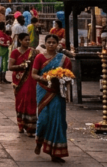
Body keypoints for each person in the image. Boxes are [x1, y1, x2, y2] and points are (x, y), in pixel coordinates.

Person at [32, 34, 72, 162]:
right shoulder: (39, 57)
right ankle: (39, 142)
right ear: (45, 44)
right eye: (48, 42)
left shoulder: (64, 59)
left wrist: (62, 79)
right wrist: (43, 79)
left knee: (58, 121)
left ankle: (56, 152)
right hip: (43, 91)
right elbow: (33, 74)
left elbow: (69, 77)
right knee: (43, 120)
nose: (51, 44)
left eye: (53, 42)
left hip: (57, 92)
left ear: (57, 44)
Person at [9, 33, 38, 136]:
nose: (28, 42)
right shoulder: (15, 52)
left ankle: (30, 128)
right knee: (20, 102)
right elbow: (10, 67)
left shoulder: (33, 52)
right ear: (20, 41)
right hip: (19, 81)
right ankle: (21, 125)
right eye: (25, 40)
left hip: (31, 81)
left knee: (31, 101)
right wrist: (22, 66)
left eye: (28, 40)